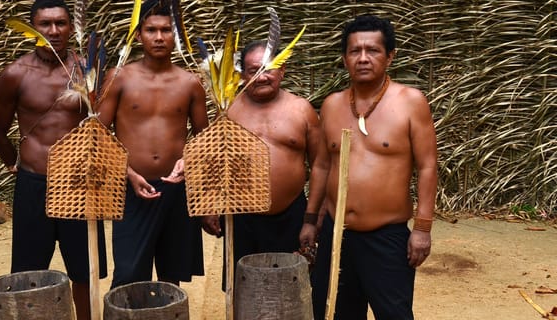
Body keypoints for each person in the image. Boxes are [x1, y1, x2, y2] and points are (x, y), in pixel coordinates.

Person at [303, 15, 438, 320]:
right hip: (337, 233)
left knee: (393, 314)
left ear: (390, 56)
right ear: (345, 58)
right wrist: (311, 220)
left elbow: (428, 166)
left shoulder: (411, 102)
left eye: (373, 50)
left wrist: (422, 228)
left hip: (385, 236)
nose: (363, 58)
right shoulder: (332, 105)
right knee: (335, 312)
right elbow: (322, 166)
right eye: (355, 51)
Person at [0, 0, 107, 318]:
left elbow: (103, 124)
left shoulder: (88, 70)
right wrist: (16, 163)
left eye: (60, 23)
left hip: (80, 185)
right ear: (32, 28)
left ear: (71, 27)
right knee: (28, 274)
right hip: (34, 184)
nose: (53, 31)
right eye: (45, 24)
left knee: (85, 272)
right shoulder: (15, 74)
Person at [97, 2, 209, 288]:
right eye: (151, 30)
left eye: (166, 30)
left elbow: (204, 138)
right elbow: (97, 135)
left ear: (176, 36)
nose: (159, 37)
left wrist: (189, 162)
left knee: (171, 277)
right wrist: (128, 173)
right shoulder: (119, 78)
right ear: (138, 35)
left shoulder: (190, 82)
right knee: (129, 276)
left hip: (177, 189)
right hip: (131, 189)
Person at [220, 41, 328, 281]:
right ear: (242, 75)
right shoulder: (230, 110)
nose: (261, 77)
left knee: (289, 288)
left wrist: (313, 218)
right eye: (253, 70)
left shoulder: (302, 110)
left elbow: (321, 166)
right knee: (243, 288)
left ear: (282, 70)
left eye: (268, 69)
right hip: (241, 217)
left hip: (291, 216)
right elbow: (214, 161)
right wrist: (211, 210)